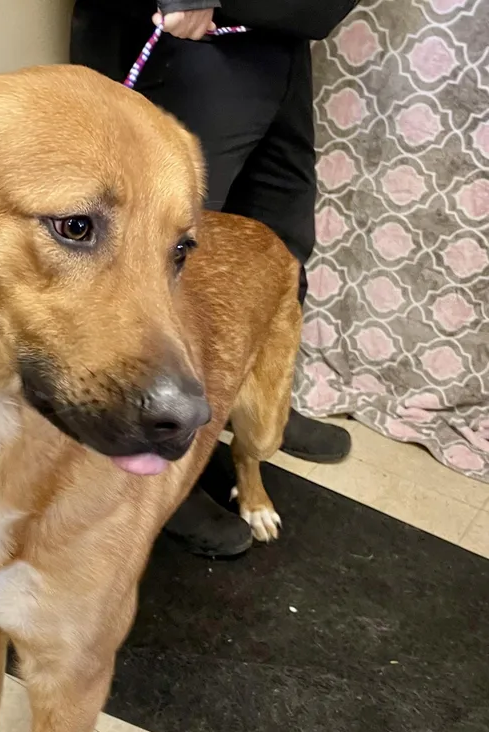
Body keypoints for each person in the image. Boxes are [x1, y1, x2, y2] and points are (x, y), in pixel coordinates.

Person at [71, 0, 358, 557]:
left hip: (280, 37)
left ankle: (258, 400)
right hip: (190, 38)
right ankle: (159, 462)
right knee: (170, 262)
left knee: (280, 243)